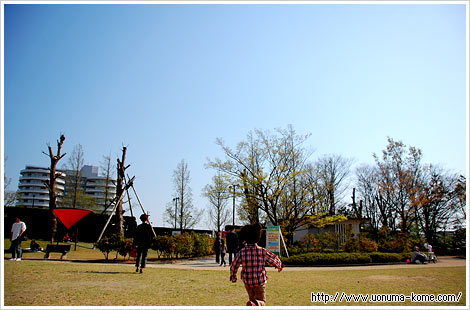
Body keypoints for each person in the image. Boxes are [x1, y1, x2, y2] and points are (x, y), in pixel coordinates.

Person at [230, 223, 283, 306]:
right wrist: (279, 265)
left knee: (252, 300)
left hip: (247, 282)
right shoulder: (262, 251)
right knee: (262, 301)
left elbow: (234, 265)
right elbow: (273, 259)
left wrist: (233, 276)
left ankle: (253, 303)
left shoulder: (242, 252)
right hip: (259, 281)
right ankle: (257, 304)